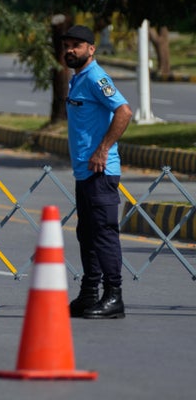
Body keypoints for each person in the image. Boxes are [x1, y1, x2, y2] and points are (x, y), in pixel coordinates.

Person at [62, 25, 133, 319]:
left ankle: (113, 297)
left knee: (104, 234)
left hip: (101, 172)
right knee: (87, 234)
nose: (70, 49)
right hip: (84, 172)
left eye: (77, 45)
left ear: (91, 48)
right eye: (67, 44)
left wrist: (103, 149)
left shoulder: (95, 77)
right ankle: (90, 292)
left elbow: (124, 111)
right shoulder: (77, 78)